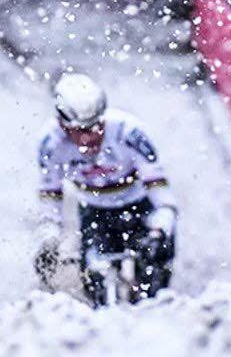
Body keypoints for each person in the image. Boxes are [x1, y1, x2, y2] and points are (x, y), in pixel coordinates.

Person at [35, 74, 177, 306]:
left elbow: (162, 195)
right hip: (95, 211)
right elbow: (50, 197)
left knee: (154, 272)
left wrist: (159, 230)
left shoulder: (129, 132)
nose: (91, 136)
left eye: (97, 126)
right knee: (93, 278)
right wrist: (48, 238)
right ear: (62, 124)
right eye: (81, 130)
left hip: (140, 205)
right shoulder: (50, 144)